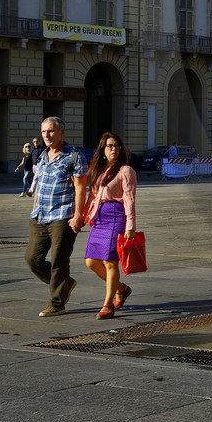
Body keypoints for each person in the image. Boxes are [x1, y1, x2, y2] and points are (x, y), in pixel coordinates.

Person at [25, 116, 89, 317]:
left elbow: (80, 189)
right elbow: (39, 184)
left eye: (51, 131)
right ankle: (65, 283)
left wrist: (79, 215)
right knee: (32, 259)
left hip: (63, 216)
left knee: (60, 260)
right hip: (40, 215)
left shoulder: (74, 157)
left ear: (62, 132)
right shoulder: (42, 155)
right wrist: (34, 208)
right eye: (44, 132)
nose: (46, 135)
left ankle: (57, 303)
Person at [74, 131, 136, 320]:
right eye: (109, 146)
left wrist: (130, 226)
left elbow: (130, 199)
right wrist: (81, 218)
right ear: (103, 150)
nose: (114, 149)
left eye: (117, 146)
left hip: (116, 216)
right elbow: (93, 198)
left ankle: (108, 305)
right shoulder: (99, 171)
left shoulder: (125, 171)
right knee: (91, 262)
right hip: (99, 219)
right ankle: (121, 288)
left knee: (110, 262)